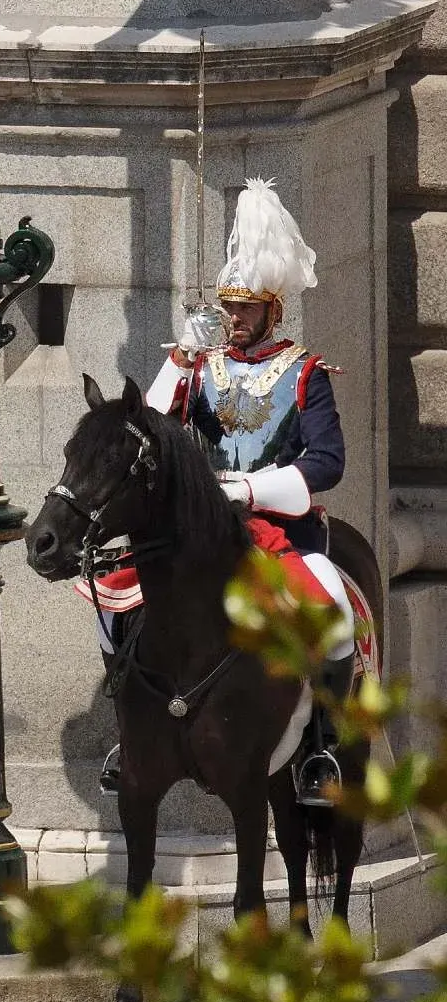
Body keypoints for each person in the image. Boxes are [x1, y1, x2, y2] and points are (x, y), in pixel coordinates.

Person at [97, 177, 353, 807]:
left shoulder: (304, 373)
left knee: (336, 614)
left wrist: (246, 487)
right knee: (110, 601)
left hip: (277, 530)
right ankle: (126, 731)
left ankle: (320, 746)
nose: (233, 319)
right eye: (227, 307)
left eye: (245, 308)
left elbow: (327, 462)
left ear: (273, 308)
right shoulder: (200, 368)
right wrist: (177, 362)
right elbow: (144, 430)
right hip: (198, 537)